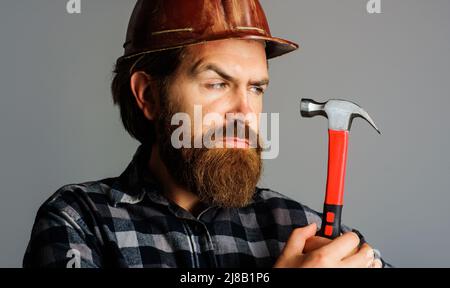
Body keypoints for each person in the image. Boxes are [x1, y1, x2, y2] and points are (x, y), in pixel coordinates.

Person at [23, 0, 389, 268]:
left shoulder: (302, 230)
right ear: (148, 95)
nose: (245, 113)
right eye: (217, 84)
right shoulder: (80, 222)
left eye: (257, 88)